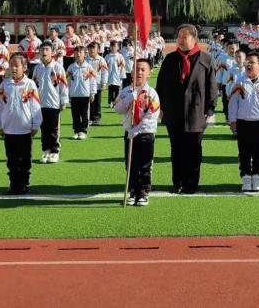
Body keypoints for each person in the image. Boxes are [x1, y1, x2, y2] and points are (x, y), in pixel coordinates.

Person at [157, 23, 218, 195]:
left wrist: (210, 108)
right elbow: (161, 85)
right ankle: (178, 182)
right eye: (179, 36)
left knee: (194, 150)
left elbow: (212, 87)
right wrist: (160, 107)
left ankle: (192, 183)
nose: (180, 40)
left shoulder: (205, 59)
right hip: (174, 112)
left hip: (196, 112)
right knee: (177, 150)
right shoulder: (170, 59)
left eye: (184, 36)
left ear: (194, 38)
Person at [228, 50, 259, 191]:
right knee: (244, 152)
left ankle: (257, 178)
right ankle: (245, 177)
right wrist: (232, 120)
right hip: (243, 123)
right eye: (247, 62)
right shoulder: (240, 82)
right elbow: (233, 103)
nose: (248, 65)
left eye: (252, 62)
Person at [0, 53, 42, 195]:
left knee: (25, 159)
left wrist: (35, 124)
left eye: (17, 65)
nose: (14, 69)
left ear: (24, 67)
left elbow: (35, 106)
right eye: (12, 65)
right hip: (9, 129)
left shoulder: (30, 85)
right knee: (12, 159)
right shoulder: (5, 85)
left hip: (25, 129)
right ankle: (14, 184)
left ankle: (24, 183)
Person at [115, 58, 160, 206]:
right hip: (129, 133)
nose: (139, 72)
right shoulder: (126, 91)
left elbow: (151, 116)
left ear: (149, 73)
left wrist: (137, 129)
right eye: (136, 69)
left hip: (145, 133)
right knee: (131, 163)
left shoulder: (152, 94)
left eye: (142, 69)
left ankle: (143, 191)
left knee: (145, 164)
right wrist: (129, 98)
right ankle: (132, 190)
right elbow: (118, 109)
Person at [34, 41, 69, 163]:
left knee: (54, 129)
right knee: (44, 128)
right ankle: (46, 150)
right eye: (42, 50)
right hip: (40, 104)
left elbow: (63, 85)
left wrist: (63, 100)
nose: (44, 52)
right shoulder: (37, 68)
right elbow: (34, 86)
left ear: (52, 52)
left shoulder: (57, 67)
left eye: (47, 50)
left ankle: (54, 151)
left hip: (54, 103)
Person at [66, 46, 97, 139]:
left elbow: (93, 81)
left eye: (80, 52)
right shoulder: (71, 68)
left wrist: (92, 92)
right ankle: (76, 130)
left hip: (85, 94)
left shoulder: (88, 67)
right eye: (76, 53)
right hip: (74, 94)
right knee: (75, 114)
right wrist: (67, 94)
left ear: (84, 54)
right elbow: (67, 82)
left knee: (84, 113)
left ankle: (83, 130)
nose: (78, 54)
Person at [87, 42, 108, 126]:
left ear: (98, 50)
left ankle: (96, 117)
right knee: (89, 101)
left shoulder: (101, 60)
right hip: (87, 84)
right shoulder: (86, 59)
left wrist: (104, 83)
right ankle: (89, 117)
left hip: (97, 83)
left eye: (94, 48)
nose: (92, 50)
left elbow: (104, 72)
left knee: (97, 101)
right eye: (90, 48)